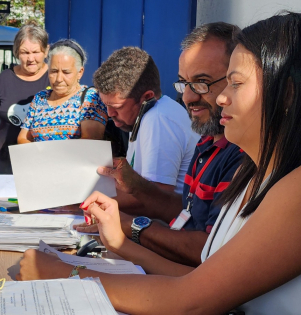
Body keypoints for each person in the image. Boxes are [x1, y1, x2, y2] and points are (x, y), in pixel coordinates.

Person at [18, 12, 301, 314]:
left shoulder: (293, 190)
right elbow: (200, 280)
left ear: (285, 95)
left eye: (235, 83)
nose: (220, 99)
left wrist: (63, 274)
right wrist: (121, 243)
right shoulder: (253, 176)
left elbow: (189, 300)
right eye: (185, 83)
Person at [75, 22, 244, 267]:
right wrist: (135, 190)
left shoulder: (160, 119)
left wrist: (129, 226)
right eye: (183, 84)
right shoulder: (207, 142)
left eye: (202, 82)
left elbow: (211, 253)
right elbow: (186, 212)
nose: (187, 97)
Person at [92, 47, 199, 211]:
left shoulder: (158, 119)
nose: (110, 113)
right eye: (106, 105)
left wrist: (82, 203)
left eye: (117, 107)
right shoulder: (148, 114)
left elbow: (155, 198)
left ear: (147, 97)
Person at [0, 22, 50, 174]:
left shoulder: (54, 78)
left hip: (46, 164)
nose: (30, 58)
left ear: (46, 51)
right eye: (24, 52)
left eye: (36, 52)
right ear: (16, 52)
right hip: (8, 163)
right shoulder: (5, 79)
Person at [17, 39, 107, 143]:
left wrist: (50, 156)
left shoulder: (90, 98)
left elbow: (90, 141)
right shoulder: (40, 98)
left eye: (66, 72)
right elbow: (23, 138)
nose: (59, 79)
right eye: (54, 71)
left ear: (80, 72)